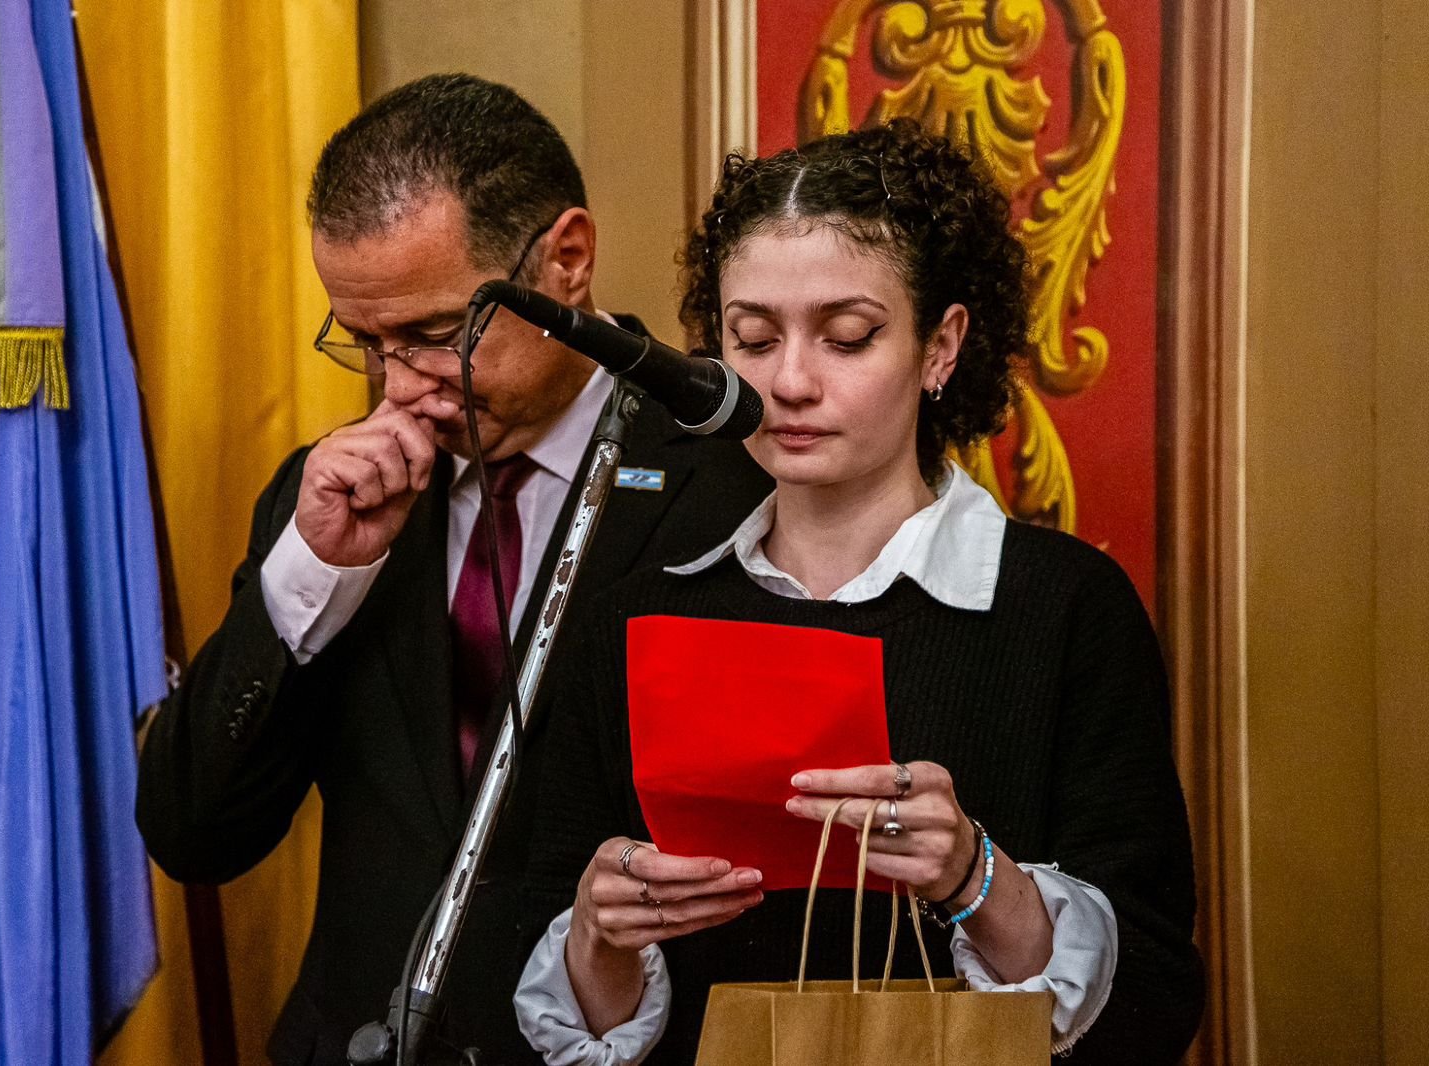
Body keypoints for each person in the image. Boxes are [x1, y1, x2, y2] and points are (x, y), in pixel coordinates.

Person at [515, 119, 1205, 1064]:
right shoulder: (634, 617)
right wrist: (601, 935)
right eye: (753, 339)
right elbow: (564, 1021)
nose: (791, 381)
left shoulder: (1067, 609)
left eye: (847, 338)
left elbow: (1156, 1001)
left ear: (941, 346)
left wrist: (972, 875)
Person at [135, 73, 771, 1065]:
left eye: (436, 337)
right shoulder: (327, 495)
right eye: (366, 344)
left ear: (566, 259)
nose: (400, 386)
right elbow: (193, 832)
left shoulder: (736, 483)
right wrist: (311, 575)